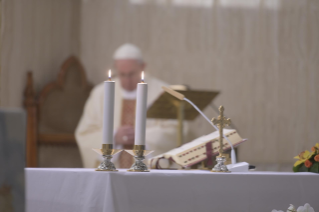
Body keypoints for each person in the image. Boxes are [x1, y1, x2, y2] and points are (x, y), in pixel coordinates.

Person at [76, 43, 185, 168]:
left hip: (149, 172)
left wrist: (142, 138)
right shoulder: (100, 93)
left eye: (132, 74)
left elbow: (177, 131)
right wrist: (113, 136)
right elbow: (85, 133)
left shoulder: (163, 92)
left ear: (143, 67)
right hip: (113, 170)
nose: (127, 80)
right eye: (122, 74)